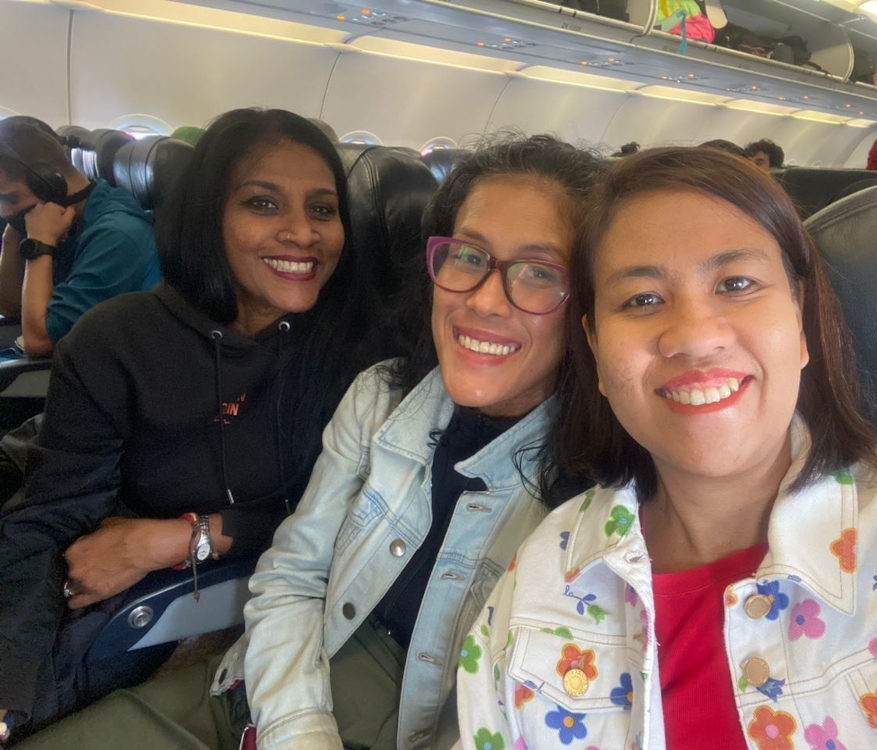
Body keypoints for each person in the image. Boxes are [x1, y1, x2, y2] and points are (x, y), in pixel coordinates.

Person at [14, 134, 602, 750]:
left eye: (539, 272)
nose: (484, 299)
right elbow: (296, 573)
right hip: (287, 660)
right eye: (468, 256)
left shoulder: (603, 488)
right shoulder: (383, 395)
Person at [457, 146, 877, 748]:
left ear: (800, 318)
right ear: (598, 355)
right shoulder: (542, 579)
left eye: (736, 284)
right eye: (641, 300)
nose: (693, 336)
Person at [0, 108, 385, 741]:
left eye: (322, 210)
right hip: (97, 549)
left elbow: (347, 523)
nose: (302, 233)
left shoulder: (361, 356)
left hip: (204, 588)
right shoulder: (116, 339)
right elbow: (53, 512)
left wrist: (180, 539)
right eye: (263, 204)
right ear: (207, 216)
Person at [0, 117, 159, 358]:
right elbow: (11, 307)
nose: (4, 212)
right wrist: (13, 234)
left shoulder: (118, 236)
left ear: (50, 182)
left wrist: (39, 245)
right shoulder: (69, 217)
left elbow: (38, 342)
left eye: (10, 199)